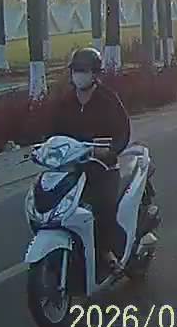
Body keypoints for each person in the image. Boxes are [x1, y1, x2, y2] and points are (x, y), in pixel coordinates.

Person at [46, 48, 130, 278]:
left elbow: (123, 131)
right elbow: (53, 132)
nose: (79, 75)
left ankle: (107, 252)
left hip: (102, 168)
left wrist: (110, 151)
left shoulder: (108, 99)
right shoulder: (66, 101)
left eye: (83, 71)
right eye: (76, 70)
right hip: (72, 167)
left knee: (103, 205)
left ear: (95, 74)